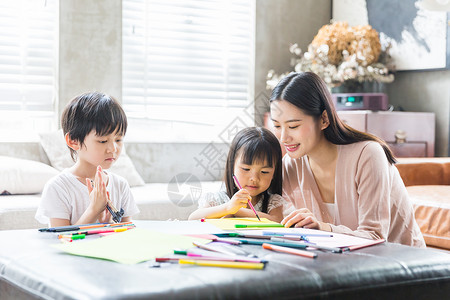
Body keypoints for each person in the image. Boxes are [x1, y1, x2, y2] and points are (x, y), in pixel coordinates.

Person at [269, 72, 425, 247]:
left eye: (293, 126)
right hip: (340, 262)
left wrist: (322, 228)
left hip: (402, 263)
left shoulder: (368, 155)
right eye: (276, 126)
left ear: (324, 119)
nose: (283, 137)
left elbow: (375, 237)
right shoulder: (290, 165)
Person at [35, 92, 139, 227]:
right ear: (73, 141)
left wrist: (109, 223)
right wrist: (94, 210)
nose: (113, 148)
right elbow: (60, 238)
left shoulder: (121, 185)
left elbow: (127, 235)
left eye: (118, 139)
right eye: (102, 141)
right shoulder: (58, 187)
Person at [189, 127, 286, 222]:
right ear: (232, 166)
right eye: (246, 169)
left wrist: (236, 211)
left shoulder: (272, 201)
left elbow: (277, 220)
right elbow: (193, 218)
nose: (254, 179)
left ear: (274, 172)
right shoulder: (218, 199)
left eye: (264, 172)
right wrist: (227, 208)